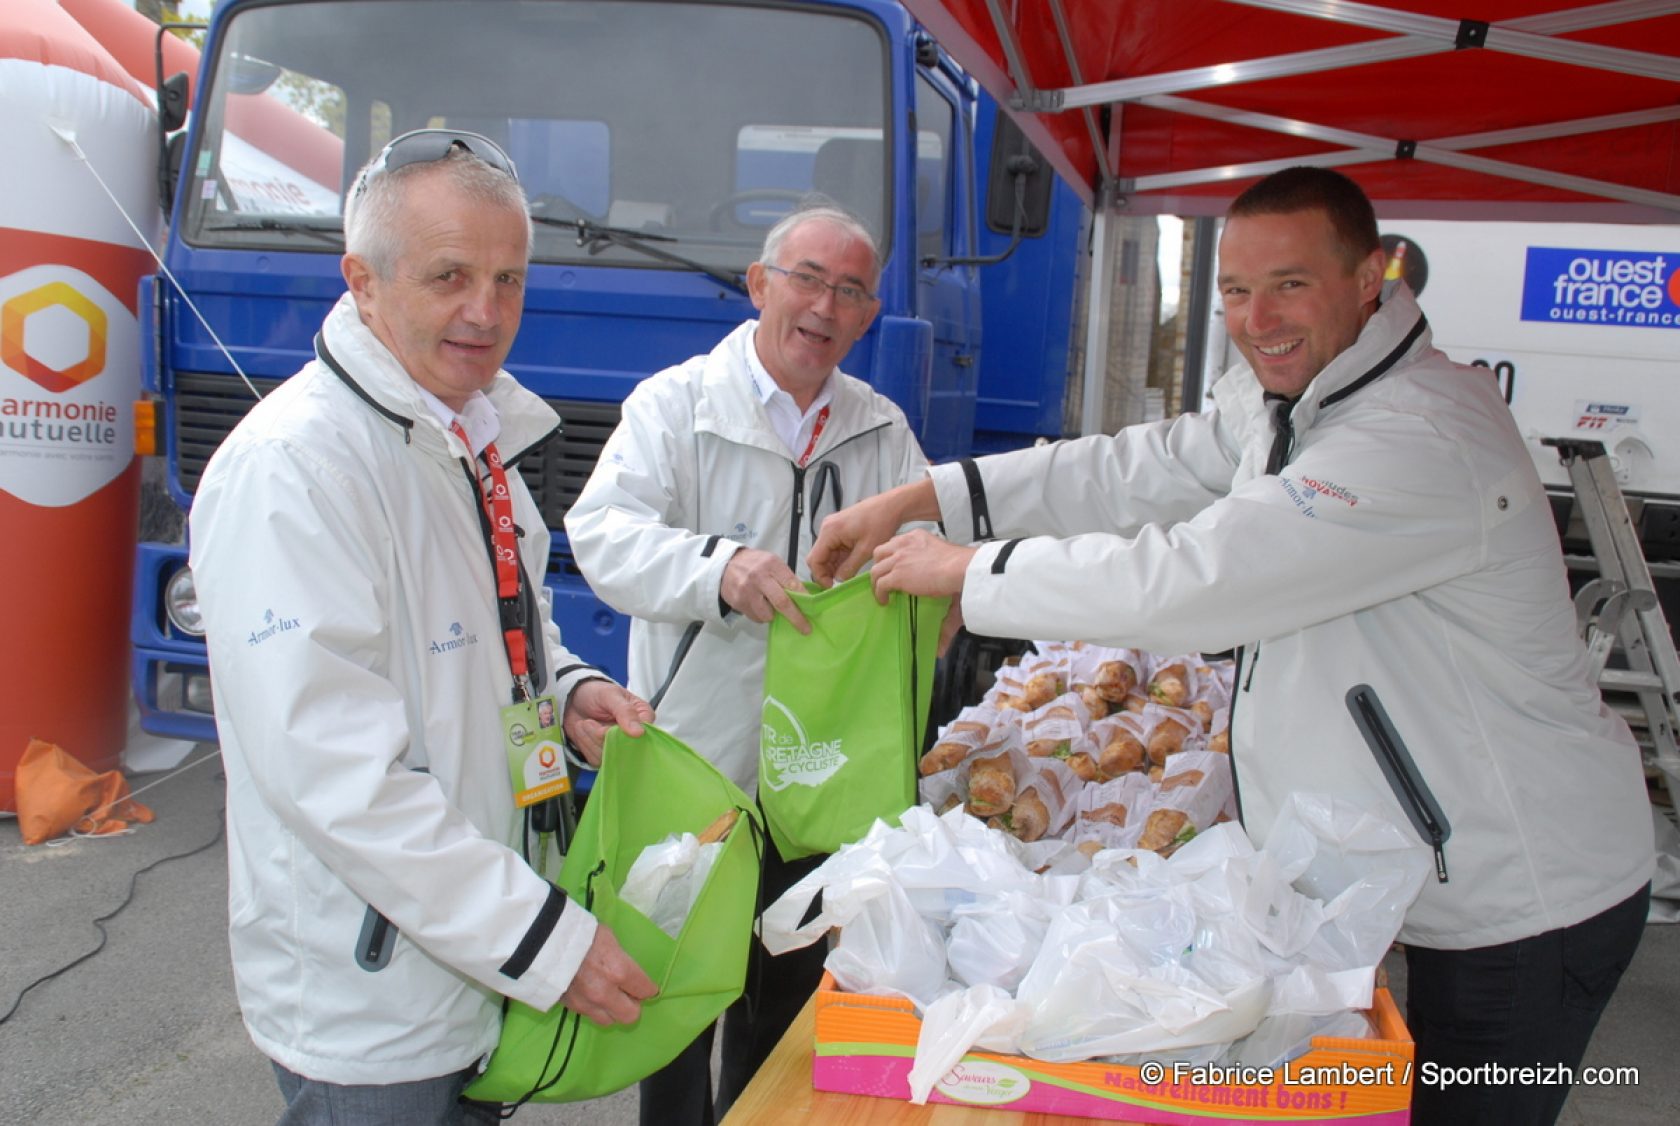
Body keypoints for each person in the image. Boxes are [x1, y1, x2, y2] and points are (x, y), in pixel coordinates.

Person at [809, 166, 1655, 1126]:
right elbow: (1139, 467)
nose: (1259, 320)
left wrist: (972, 571)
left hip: (1522, 899)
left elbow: (1199, 580)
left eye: (1291, 284)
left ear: (1370, 278)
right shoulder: (1302, 398)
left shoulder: (1415, 433)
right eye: (1238, 291)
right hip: (1420, 878)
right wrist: (929, 495)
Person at [190, 130, 658, 1126]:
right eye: (450, 276)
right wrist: (540, 936)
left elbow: (503, 630)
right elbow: (332, 771)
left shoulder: (472, 433)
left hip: (472, 970)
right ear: (363, 282)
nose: (485, 312)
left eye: (509, 279)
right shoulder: (294, 467)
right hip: (375, 1008)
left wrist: (568, 688)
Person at [565, 202, 929, 1125]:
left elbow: (928, 561)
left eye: (850, 291)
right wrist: (716, 568)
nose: (825, 307)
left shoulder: (882, 430)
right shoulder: (676, 405)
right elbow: (601, 535)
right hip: (693, 771)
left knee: (783, 1008)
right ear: (761, 285)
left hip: (816, 776)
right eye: (807, 279)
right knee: (673, 1010)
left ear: (869, 315)